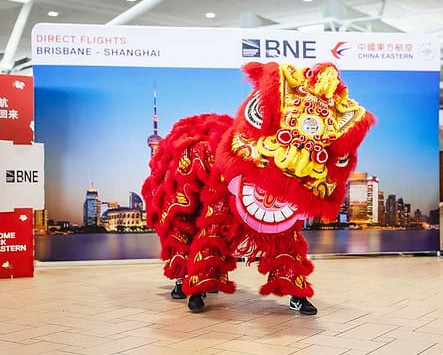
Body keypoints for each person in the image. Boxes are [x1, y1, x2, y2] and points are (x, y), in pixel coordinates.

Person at [142, 61, 374, 314]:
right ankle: (189, 281)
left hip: (281, 181)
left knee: (287, 240)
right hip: (234, 174)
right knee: (206, 221)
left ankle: (296, 294)